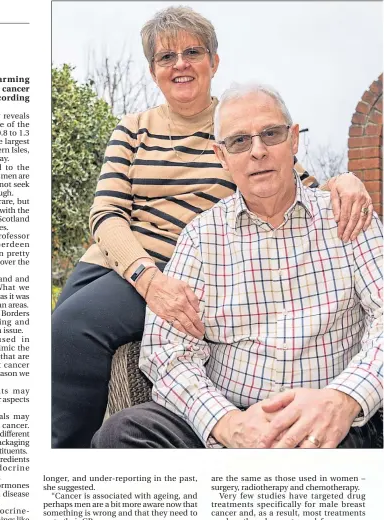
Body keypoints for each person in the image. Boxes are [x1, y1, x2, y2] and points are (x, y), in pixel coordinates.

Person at [52, 6, 374, 449]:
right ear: (153, 71)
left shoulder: (243, 123)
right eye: (166, 57)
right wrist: (150, 279)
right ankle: (60, 462)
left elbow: (298, 182)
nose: (180, 64)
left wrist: (347, 181)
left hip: (190, 264)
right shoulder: (133, 129)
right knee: (64, 334)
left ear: (214, 62)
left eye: (192, 52)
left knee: (74, 328)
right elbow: (106, 214)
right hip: (125, 263)